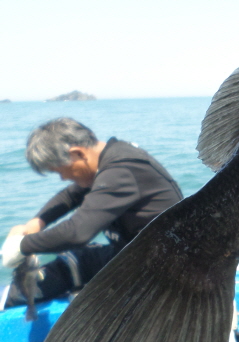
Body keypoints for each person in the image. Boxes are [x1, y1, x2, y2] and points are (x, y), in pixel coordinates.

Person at [1, 117, 183, 307]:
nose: (63, 178)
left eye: (60, 171)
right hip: (133, 253)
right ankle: (10, 297)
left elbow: (77, 232)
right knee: (69, 262)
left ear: (78, 153)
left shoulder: (121, 170)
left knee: (75, 266)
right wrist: (37, 222)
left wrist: (22, 246)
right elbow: (70, 196)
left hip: (162, 271)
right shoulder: (109, 157)